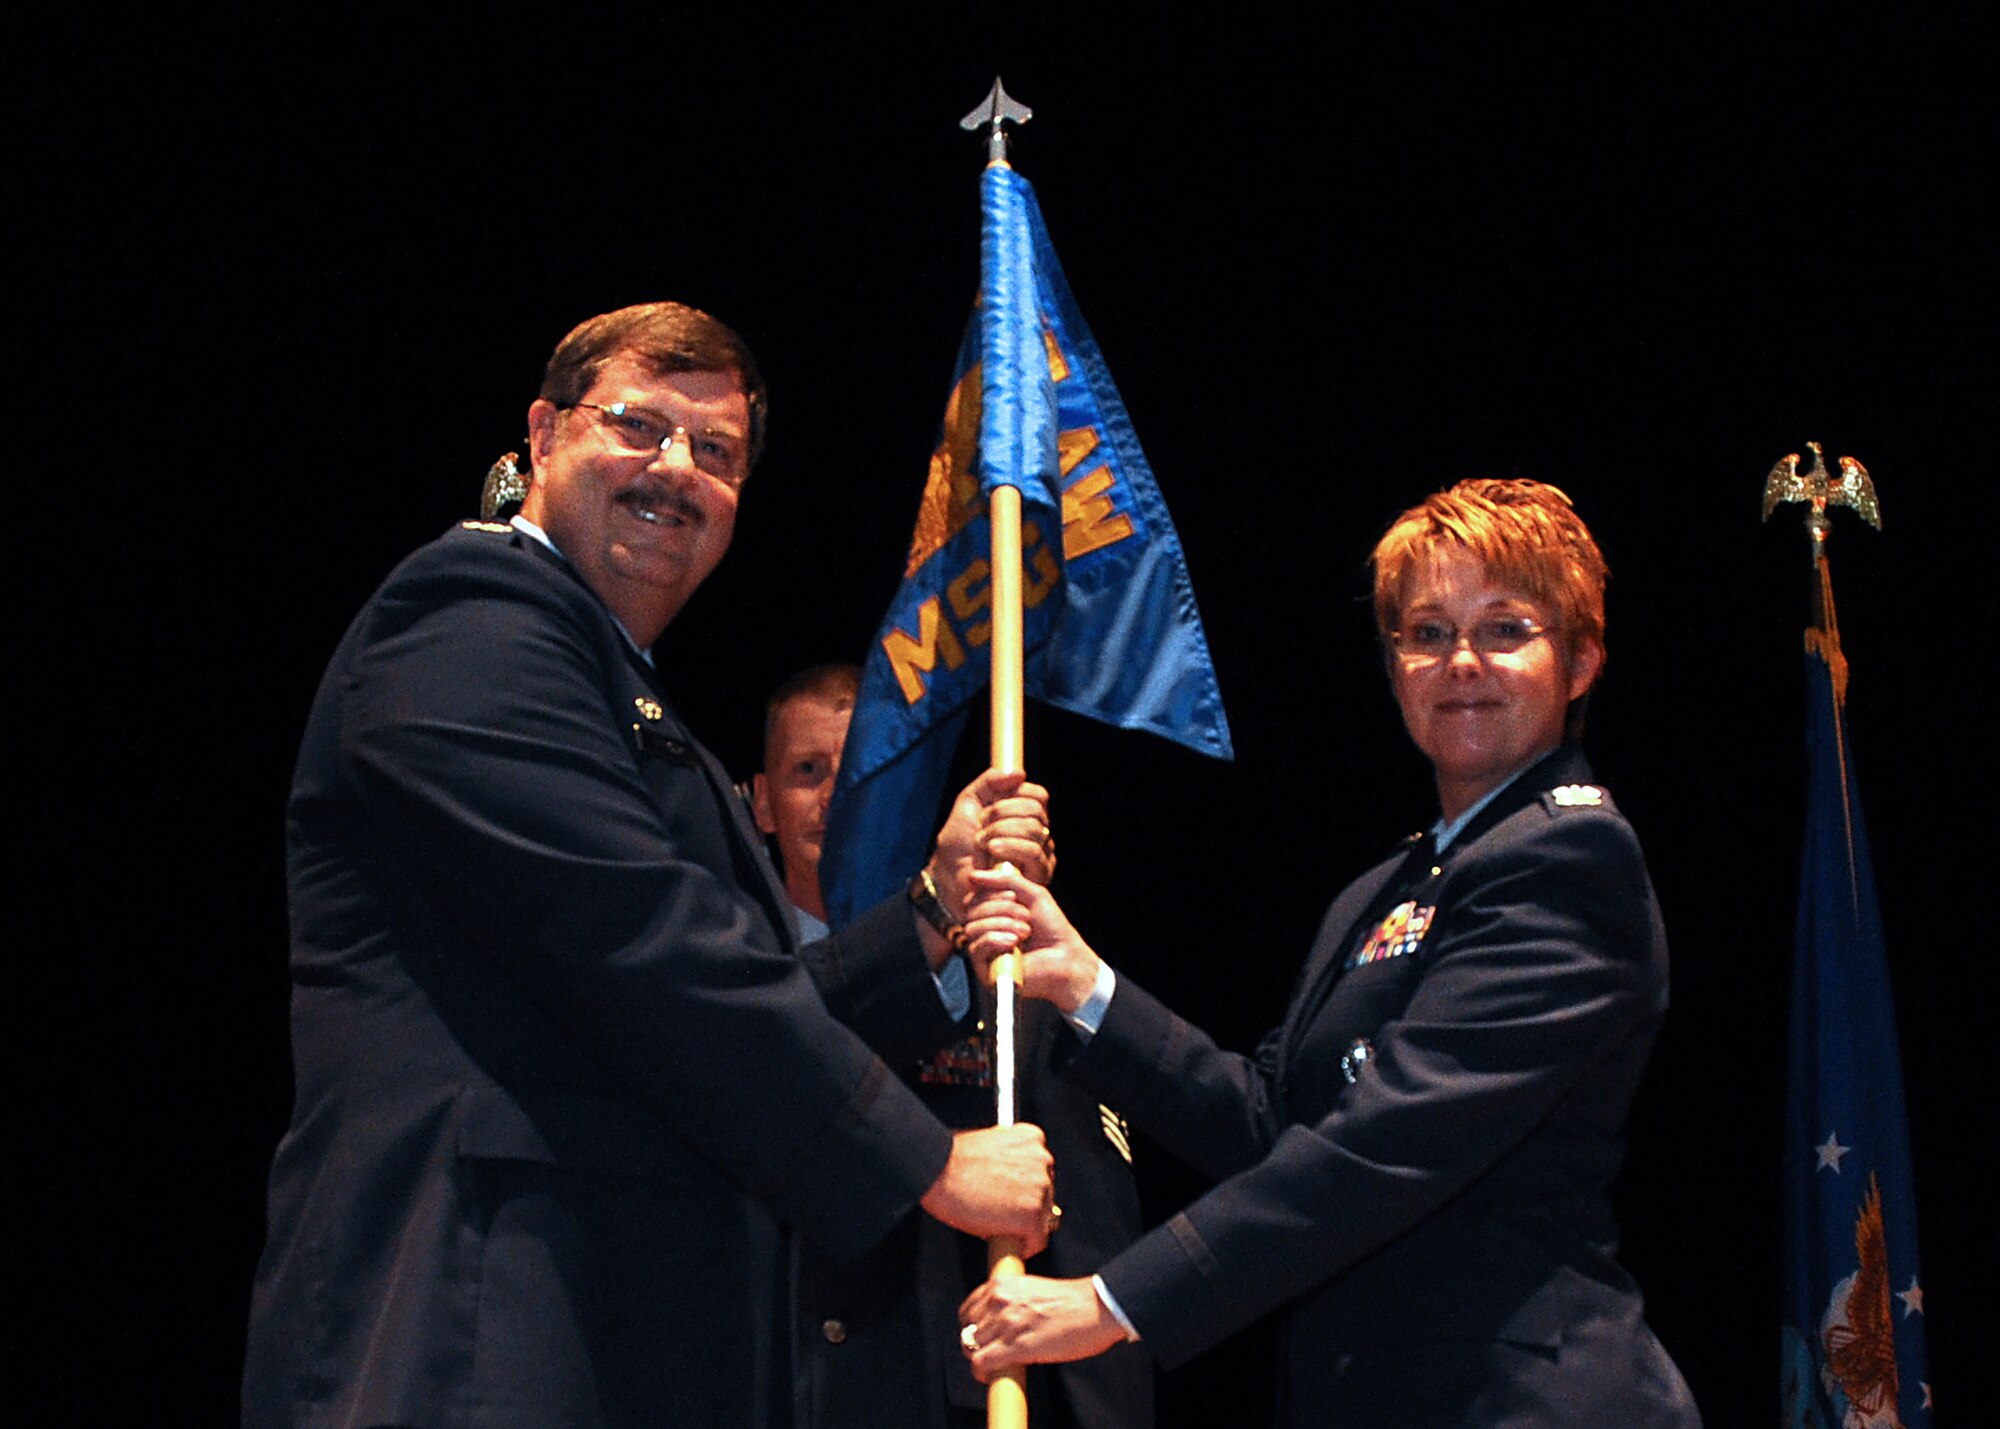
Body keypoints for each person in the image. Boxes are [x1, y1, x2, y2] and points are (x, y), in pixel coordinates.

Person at [242, 302, 1059, 1428]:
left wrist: (929, 906)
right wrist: (927, 1162)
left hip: (619, 1328)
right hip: (482, 1322)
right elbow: (635, 943)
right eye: (637, 425)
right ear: (541, 434)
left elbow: (729, 987)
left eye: (715, 453)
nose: (675, 468)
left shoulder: (612, 681)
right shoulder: (465, 617)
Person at [957, 480, 1701, 1427]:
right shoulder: (1385, 887)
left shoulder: (1570, 857)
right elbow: (1274, 1123)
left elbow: (1387, 1144)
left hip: (1519, 1402)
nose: (1461, 661)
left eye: (1506, 629)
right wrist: (1083, 983)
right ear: (1394, 670)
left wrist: (1109, 1301)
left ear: (1583, 660)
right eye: (1427, 634)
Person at [752, 665, 1153, 1429]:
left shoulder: (1007, 979)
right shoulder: (719, 979)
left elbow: (1092, 1243)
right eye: (809, 772)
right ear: (762, 802)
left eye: (865, 768)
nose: (838, 795)